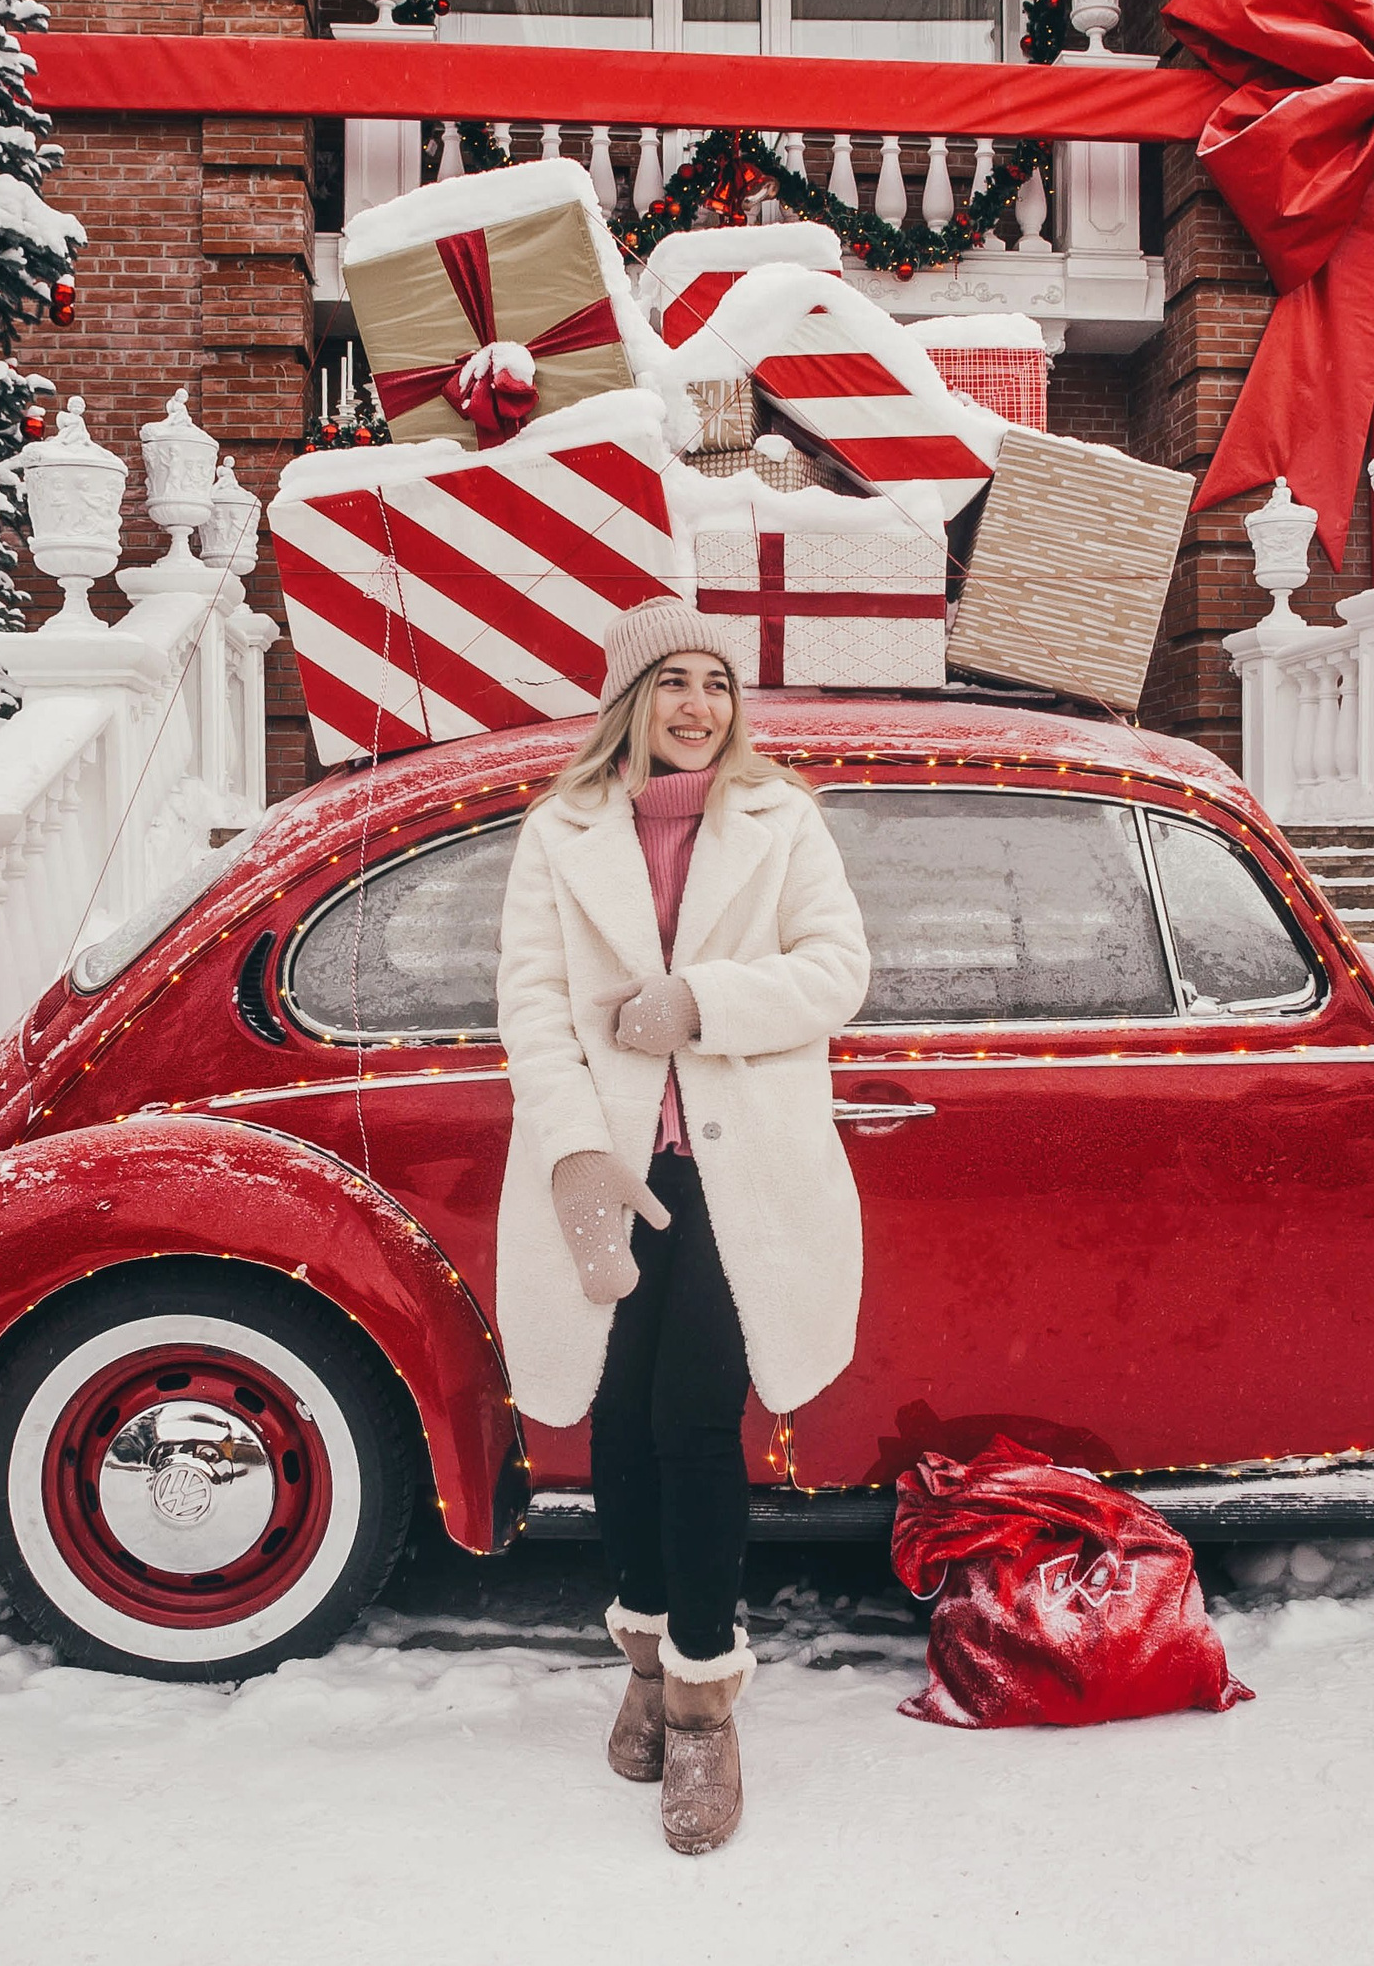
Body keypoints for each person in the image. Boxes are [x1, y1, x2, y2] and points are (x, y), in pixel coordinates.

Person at [495, 599, 871, 1855]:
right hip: (603, 1164)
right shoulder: (558, 832)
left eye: (714, 682)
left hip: (738, 1169)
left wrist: (697, 1002)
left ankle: (705, 1699)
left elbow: (835, 971)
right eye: (671, 684)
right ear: (631, 704)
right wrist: (574, 1147)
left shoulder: (781, 819)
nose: (697, 704)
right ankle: (644, 1652)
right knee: (617, 1414)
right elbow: (533, 1005)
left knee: (695, 1417)